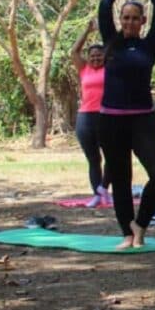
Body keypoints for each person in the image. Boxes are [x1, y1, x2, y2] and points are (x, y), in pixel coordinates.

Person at [97, 0, 155, 249]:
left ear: (142, 21)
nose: (128, 22)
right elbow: (104, 5)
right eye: (125, 17)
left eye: (134, 18)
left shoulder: (148, 45)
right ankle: (128, 233)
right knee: (121, 178)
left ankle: (141, 224)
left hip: (142, 119)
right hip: (110, 119)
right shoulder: (110, 41)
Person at [71, 19, 109, 207]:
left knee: (111, 157)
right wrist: (87, 30)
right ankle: (96, 194)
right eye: (92, 56)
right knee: (93, 158)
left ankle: (104, 188)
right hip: (85, 117)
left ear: (105, 56)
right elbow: (74, 51)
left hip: (106, 116)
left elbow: (114, 49)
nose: (95, 59)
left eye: (99, 56)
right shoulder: (84, 69)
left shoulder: (110, 68)